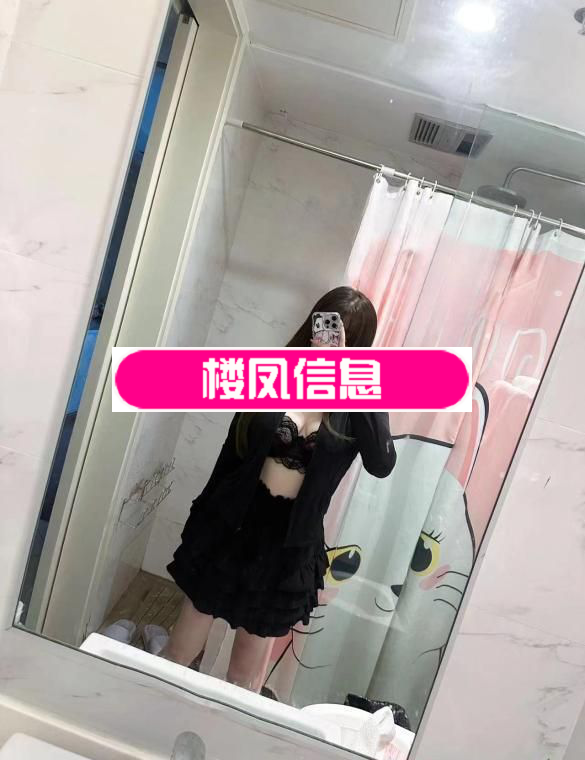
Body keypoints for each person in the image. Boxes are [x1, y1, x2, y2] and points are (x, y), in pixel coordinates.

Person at [163, 286, 396, 690]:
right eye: (324, 325)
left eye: (342, 335)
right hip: (234, 524)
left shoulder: (356, 405)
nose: (327, 338)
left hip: (286, 546)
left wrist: (353, 374)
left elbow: (382, 463)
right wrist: (205, 518)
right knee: (179, 652)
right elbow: (232, 451)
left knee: (242, 678)